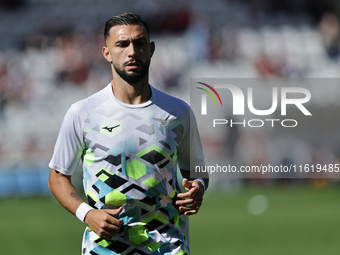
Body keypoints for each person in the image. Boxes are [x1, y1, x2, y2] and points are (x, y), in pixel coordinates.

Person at [48, 13, 208, 255]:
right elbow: (57, 176)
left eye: (139, 43)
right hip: (105, 247)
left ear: (151, 49)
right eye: (122, 44)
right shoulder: (83, 113)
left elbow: (196, 172)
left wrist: (198, 189)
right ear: (107, 53)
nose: (132, 51)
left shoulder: (179, 112)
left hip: (168, 244)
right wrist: (87, 213)